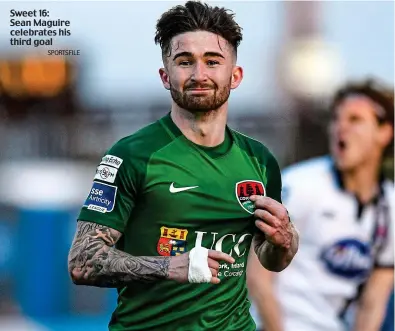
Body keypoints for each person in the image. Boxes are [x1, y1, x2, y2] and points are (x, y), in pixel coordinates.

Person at [67, 2, 299, 330]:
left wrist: (285, 240)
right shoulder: (131, 155)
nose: (199, 74)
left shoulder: (261, 161)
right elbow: (82, 263)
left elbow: (270, 260)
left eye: (212, 61)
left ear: (235, 75)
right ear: (166, 76)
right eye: (185, 61)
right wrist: (169, 267)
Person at [248, 79, 394, 331]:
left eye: (355, 120)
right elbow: (257, 276)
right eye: (337, 119)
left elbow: (373, 301)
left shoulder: (390, 208)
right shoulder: (301, 184)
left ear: (384, 132)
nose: (341, 127)